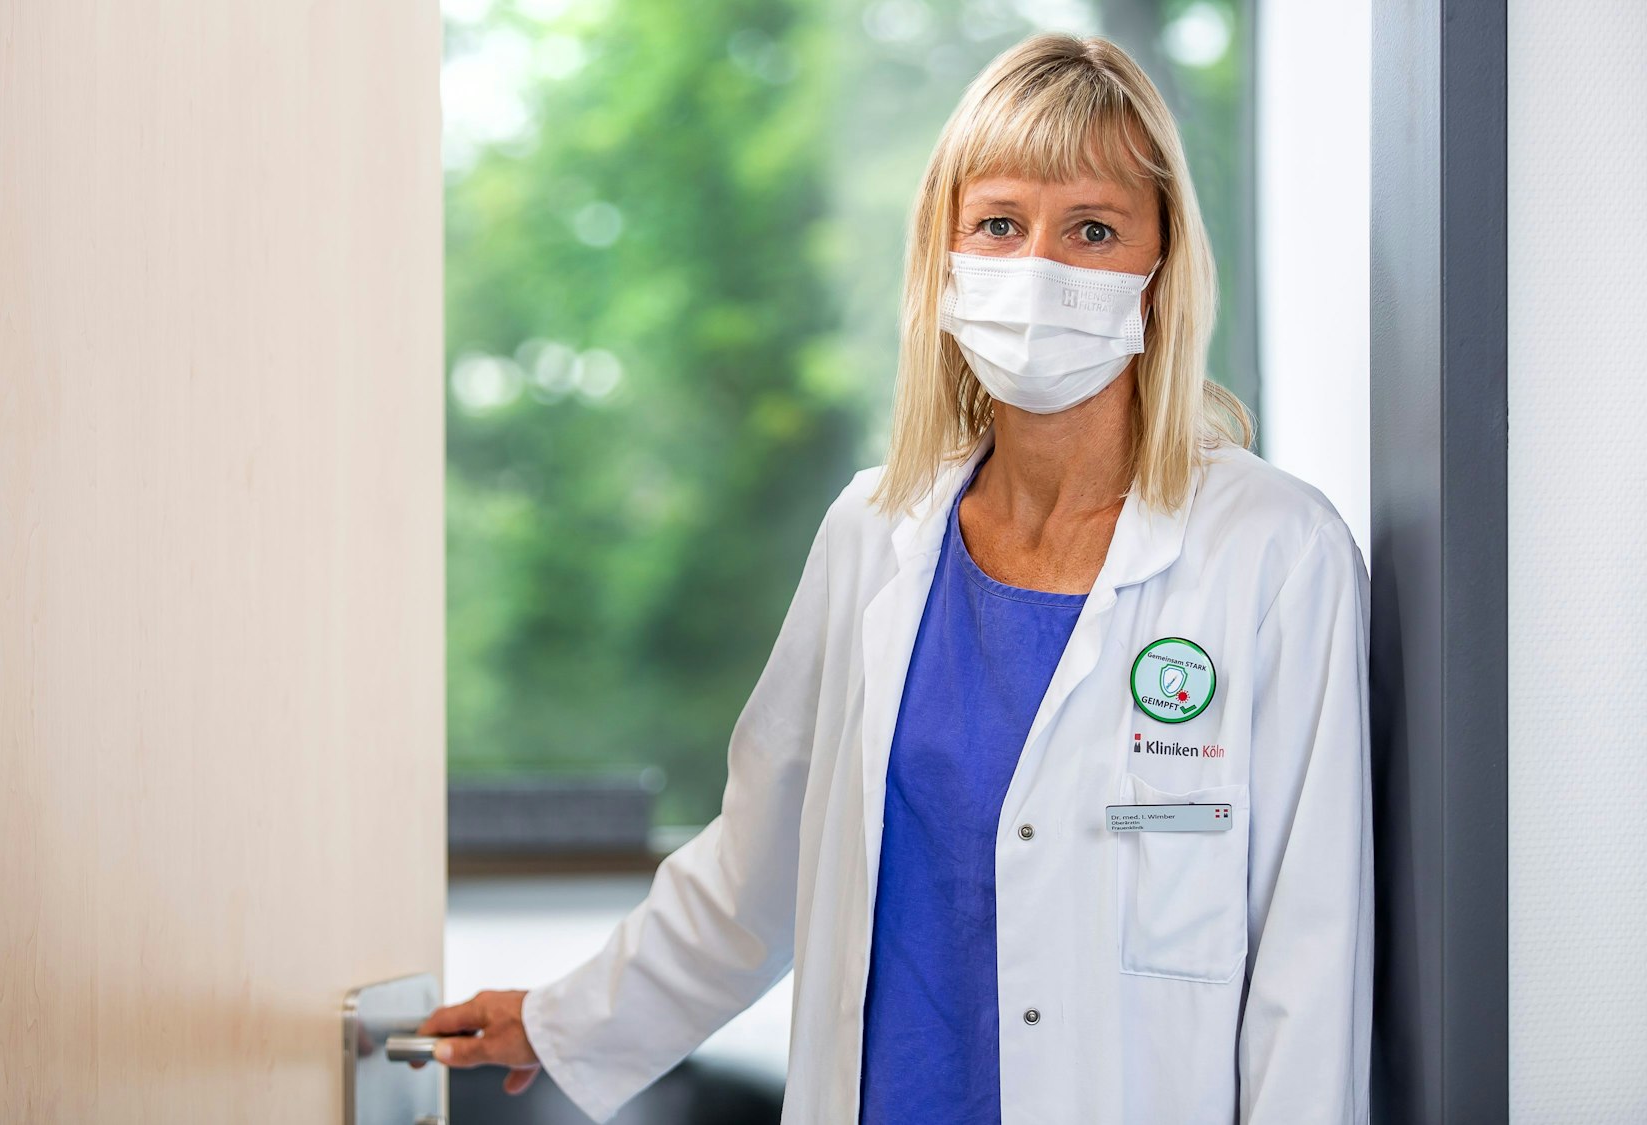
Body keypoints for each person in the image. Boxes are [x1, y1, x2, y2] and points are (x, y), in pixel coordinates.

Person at [420, 31, 1372, 1124]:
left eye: (1093, 229)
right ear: (944, 255)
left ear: (1161, 274)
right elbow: (756, 867)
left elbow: (1310, 956)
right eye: (1000, 225)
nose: (1037, 269)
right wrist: (561, 1020)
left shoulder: (1271, 553)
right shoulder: (873, 533)